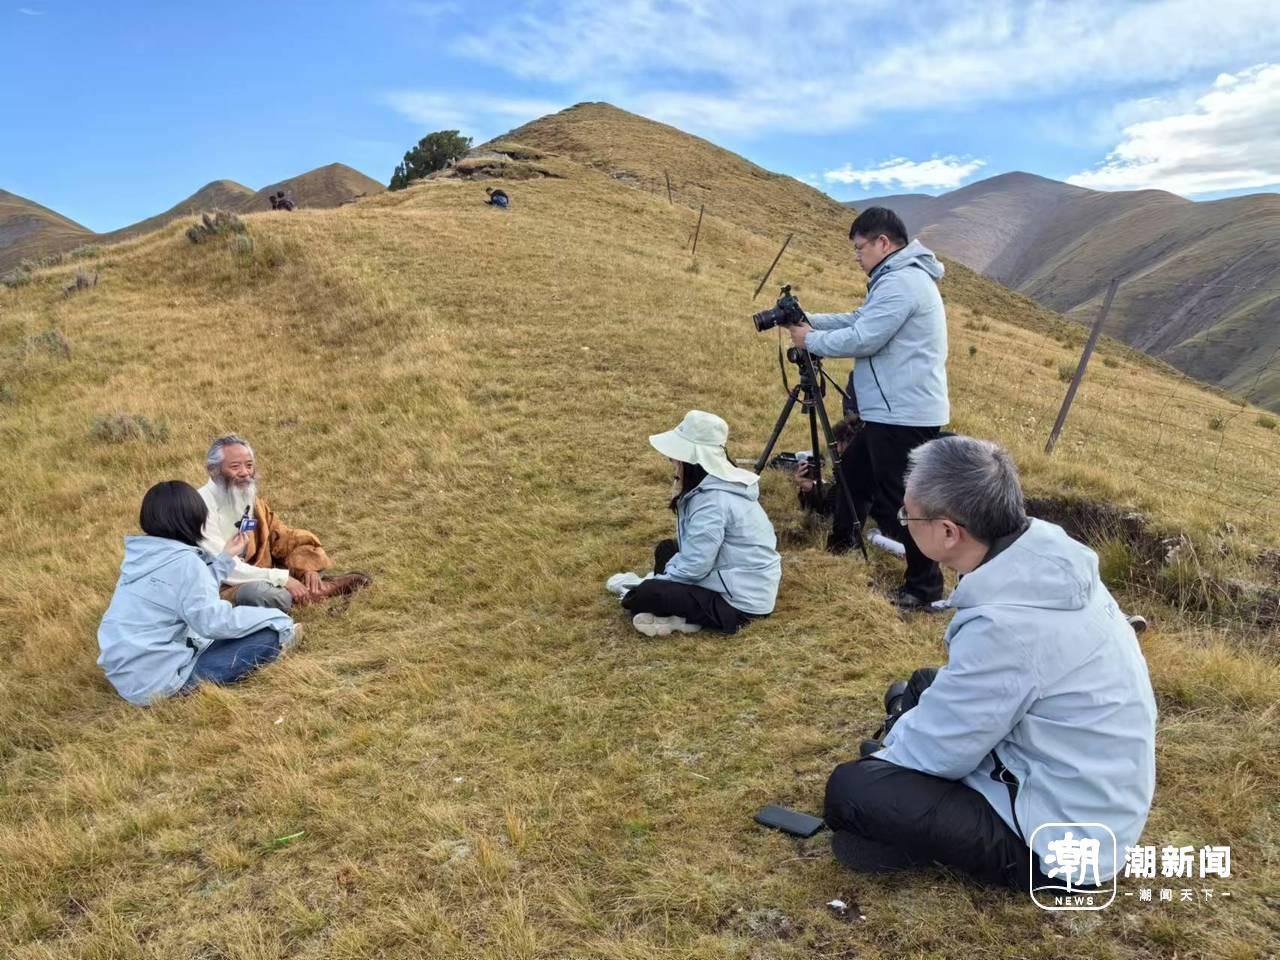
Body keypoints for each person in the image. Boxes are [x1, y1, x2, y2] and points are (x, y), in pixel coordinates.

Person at [823, 436, 1157, 889]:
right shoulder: (1047, 561)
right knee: (921, 685)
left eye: (907, 515)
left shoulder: (1009, 628)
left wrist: (886, 759)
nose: (903, 523)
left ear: (947, 532)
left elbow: (938, 753)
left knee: (853, 790)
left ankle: (905, 830)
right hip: (1082, 785)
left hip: (1061, 843)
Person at [782, 207, 949, 611]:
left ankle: (923, 589)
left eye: (860, 248)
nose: (857, 256)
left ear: (883, 243)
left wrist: (811, 341)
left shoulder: (903, 282)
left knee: (906, 500)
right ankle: (841, 545)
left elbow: (865, 337)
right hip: (890, 412)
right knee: (853, 473)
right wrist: (809, 322)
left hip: (903, 415)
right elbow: (860, 319)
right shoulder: (894, 280)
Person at [97, 481, 300, 705]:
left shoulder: (141, 558)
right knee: (269, 635)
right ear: (193, 519)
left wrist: (224, 559)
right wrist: (277, 620)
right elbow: (213, 623)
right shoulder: (186, 563)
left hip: (130, 679)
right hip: (162, 684)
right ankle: (185, 689)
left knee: (218, 628)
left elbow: (188, 592)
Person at [618, 410, 781, 637]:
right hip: (735, 581)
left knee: (643, 595)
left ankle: (680, 615)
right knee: (666, 549)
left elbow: (696, 565)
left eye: (675, 457)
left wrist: (652, 582)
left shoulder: (712, 501)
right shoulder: (711, 489)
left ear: (691, 460)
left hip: (739, 604)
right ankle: (679, 615)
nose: (672, 462)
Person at [198, 434, 371, 612]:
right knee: (264, 595)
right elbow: (224, 568)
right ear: (213, 470)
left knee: (304, 554)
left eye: (249, 465)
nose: (245, 472)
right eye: (235, 466)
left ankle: (309, 587)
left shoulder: (250, 500)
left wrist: (307, 568)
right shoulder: (198, 508)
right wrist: (283, 579)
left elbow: (281, 537)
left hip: (260, 574)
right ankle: (314, 592)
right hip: (221, 585)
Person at [791, 414, 869, 554]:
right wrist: (810, 488)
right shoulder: (868, 467)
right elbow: (830, 505)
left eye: (837, 447)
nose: (836, 454)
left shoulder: (855, 478)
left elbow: (828, 512)